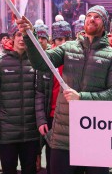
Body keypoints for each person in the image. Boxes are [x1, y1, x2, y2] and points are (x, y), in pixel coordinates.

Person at [16, 5, 112, 174]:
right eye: (89, 15)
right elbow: (41, 63)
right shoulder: (68, 48)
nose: (92, 19)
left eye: (97, 17)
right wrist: (29, 36)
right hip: (63, 136)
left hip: (96, 136)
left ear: (104, 24)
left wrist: (81, 97)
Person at [0, 28, 40, 174]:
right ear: (13, 37)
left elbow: (41, 93)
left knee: (30, 169)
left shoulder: (36, 60)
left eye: (26, 36)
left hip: (31, 128)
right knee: (9, 169)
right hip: (7, 128)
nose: (22, 39)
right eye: (19, 35)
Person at [35, 17, 73, 174]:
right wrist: (41, 119)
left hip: (73, 118)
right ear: (54, 40)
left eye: (66, 39)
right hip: (52, 118)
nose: (63, 42)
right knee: (53, 163)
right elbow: (39, 93)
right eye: (59, 39)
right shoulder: (47, 60)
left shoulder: (78, 59)